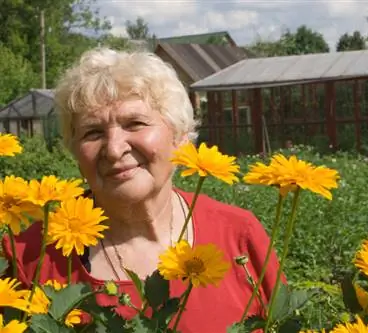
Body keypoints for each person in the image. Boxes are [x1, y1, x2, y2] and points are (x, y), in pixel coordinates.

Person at [2, 48, 282, 332]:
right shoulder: (30, 256)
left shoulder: (238, 236)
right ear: (75, 151)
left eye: (135, 123)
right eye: (92, 132)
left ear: (180, 136)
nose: (113, 149)